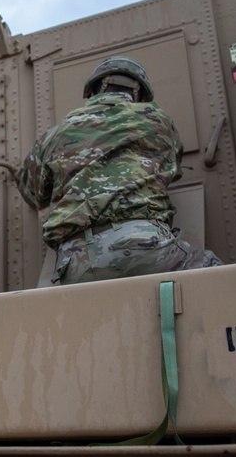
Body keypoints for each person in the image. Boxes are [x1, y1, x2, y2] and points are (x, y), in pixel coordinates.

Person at [15, 56, 222, 287]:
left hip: (74, 263)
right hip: (145, 247)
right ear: (141, 96)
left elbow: (31, 194)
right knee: (220, 278)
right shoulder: (159, 120)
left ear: (92, 93)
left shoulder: (53, 134)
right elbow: (173, 169)